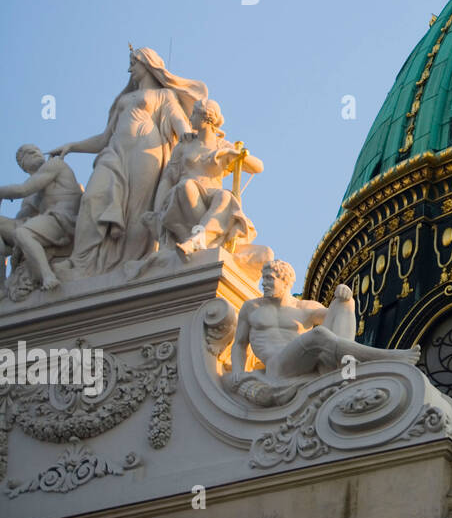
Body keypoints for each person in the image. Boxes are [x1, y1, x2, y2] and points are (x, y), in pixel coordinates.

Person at [50, 47, 206, 277]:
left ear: (148, 63)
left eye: (134, 62)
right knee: (92, 198)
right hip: (114, 153)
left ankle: (132, 262)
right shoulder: (123, 99)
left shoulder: (165, 95)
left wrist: (187, 135)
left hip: (146, 153)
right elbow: (104, 138)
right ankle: (80, 261)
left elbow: (179, 123)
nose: (130, 68)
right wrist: (72, 146)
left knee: (138, 208)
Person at [226, 260, 417, 405]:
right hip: (278, 367)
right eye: (263, 278)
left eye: (269, 278)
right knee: (319, 336)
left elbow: (337, 314)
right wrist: (237, 372)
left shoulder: (305, 308)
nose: (263, 283)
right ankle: (387, 357)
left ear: (285, 282)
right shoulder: (252, 308)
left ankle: (344, 368)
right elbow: (240, 344)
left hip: (303, 361)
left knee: (345, 303)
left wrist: (344, 294)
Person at [145, 98, 262, 255]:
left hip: (212, 199)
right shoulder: (185, 145)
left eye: (194, 114)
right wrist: (157, 210)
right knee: (186, 185)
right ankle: (202, 236)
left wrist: (234, 153)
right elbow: (168, 178)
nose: (190, 118)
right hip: (185, 198)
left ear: (206, 118)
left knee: (225, 195)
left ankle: (198, 239)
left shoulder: (222, 146)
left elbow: (258, 167)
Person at [0, 145, 83, 292]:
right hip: (46, 223)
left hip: (64, 218)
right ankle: (1, 287)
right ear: (23, 165)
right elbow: (20, 220)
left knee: (23, 233)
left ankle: (47, 276)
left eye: (37, 150)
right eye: (27, 153)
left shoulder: (54, 165)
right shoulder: (29, 198)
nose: (35, 152)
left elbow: (22, 190)